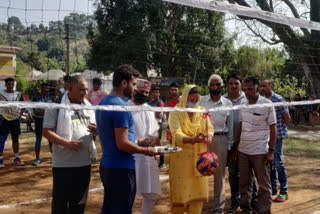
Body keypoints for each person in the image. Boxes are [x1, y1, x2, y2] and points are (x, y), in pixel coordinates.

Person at [96, 64, 157, 214]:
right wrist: (145, 150)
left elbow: (112, 137)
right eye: (134, 84)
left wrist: (138, 142)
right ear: (124, 83)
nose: (136, 89)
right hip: (121, 169)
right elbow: (122, 143)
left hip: (108, 166)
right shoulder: (121, 107)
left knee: (109, 208)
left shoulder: (103, 102)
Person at [43, 75, 98, 214]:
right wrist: (67, 144)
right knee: (60, 206)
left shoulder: (89, 106)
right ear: (69, 88)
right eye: (81, 90)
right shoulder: (56, 105)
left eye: (86, 89)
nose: (85, 93)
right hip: (63, 166)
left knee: (79, 205)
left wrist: (97, 131)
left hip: (84, 164)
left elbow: (95, 131)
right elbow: (46, 132)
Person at [233, 77, 276, 214]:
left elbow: (273, 128)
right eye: (245, 89)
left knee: (264, 184)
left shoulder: (267, 104)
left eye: (250, 89)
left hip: (260, 152)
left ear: (257, 89)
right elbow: (241, 125)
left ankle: (263, 210)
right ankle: (246, 208)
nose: (247, 92)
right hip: (243, 151)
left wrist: (271, 151)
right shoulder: (243, 104)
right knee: (244, 183)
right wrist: (236, 147)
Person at [168, 85, 214, 214]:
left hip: (200, 161)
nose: (194, 104)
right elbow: (176, 133)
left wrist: (209, 136)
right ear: (185, 98)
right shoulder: (176, 112)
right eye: (191, 100)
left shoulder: (202, 111)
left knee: (196, 199)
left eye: (196, 101)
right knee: (180, 196)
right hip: (181, 161)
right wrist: (192, 140)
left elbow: (209, 129)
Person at [223, 74, 257, 213]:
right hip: (230, 143)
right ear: (227, 85)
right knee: (232, 173)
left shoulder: (247, 98)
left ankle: (252, 201)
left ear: (240, 85)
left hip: (247, 142)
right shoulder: (223, 100)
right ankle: (234, 201)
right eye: (231, 83)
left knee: (248, 174)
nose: (233, 86)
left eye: (236, 83)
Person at [200, 74, 233, 214]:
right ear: (208, 86)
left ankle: (218, 208)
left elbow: (230, 126)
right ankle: (198, 206)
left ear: (221, 86)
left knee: (219, 175)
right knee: (200, 172)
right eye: (212, 85)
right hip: (203, 141)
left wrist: (229, 146)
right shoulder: (201, 101)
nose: (214, 87)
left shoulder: (228, 104)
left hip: (221, 139)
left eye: (217, 85)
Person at [127, 78, 161, 214]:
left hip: (147, 156)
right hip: (131, 156)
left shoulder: (148, 108)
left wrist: (154, 141)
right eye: (142, 91)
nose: (145, 95)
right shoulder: (125, 107)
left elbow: (155, 132)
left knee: (150, 192)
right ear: (134, 89)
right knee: (129, 193)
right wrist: (138, 141)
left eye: (147, 93)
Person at [261, 79, 291, 202]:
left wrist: (281, 130)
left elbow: (287, 117)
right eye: (261, 86)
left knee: (278, 162)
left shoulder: (279, 99)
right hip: (265, 136)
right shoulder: (261, 101)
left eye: (265, 86)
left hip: (277, 136)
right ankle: (273, 188)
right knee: (269, 162)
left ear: (271, 86)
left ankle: (284, 191)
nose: (263, 88)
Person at [0, 77, 25, 167]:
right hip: (4, 120)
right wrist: (1, 115)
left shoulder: (18, 94)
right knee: (1, 139)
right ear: (6, 85)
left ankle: (16, 158)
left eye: (12, 84)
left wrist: (20, 114)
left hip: (15, 120)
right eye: (9, 84)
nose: (11, 86)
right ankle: (0, 160)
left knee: (15, 139)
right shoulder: (1, 94)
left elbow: (23, 105)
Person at [32, 82, 56, 166]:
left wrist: (43, 112)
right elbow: (36, 112)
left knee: (51, 139)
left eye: (49, 88)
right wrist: (47, 112)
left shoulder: (52, 98)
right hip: (39, 121)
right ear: (42, 89)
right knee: (38, 139)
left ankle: (53, 157)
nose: (48, 90)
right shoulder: (36, 98)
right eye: (46, 88)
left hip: (49, 121)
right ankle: (37, 158)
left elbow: (54, 110)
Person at [148, 87, 166, 168]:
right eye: (154, 92)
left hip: (158, 125)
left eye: (157, 92)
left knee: (159, 143)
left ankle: (162, 162)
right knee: (151, 143)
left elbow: (159, 115)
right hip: (150, 125)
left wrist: (149, 113)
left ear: (159, 94)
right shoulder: (149, 103)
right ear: (151, 93)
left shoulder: (160, 103)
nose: (156, 93)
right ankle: (154, 161)